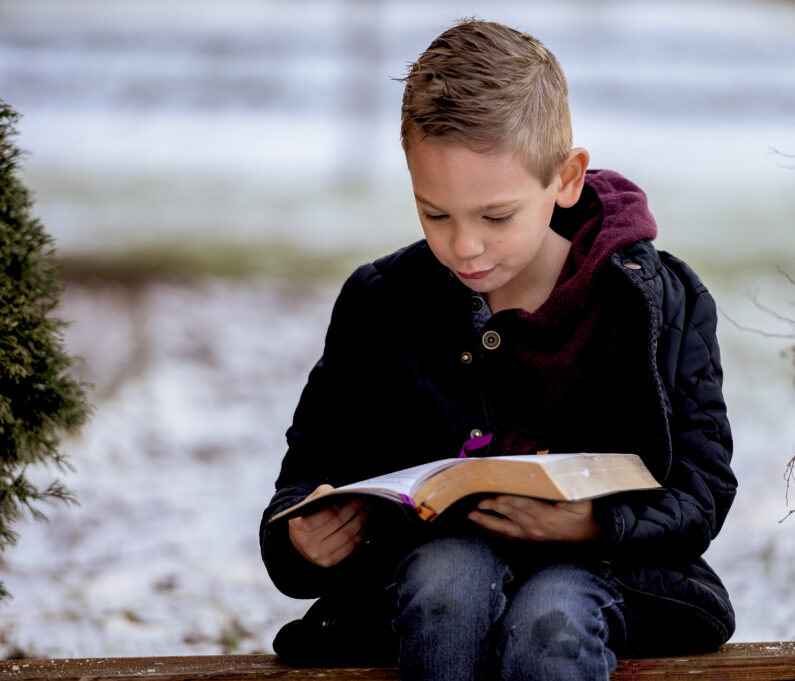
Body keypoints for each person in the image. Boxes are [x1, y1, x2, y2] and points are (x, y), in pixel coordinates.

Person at [260, 18, 737, 680]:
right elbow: (310, 471)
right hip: (432, 566)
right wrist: (301, 538)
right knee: (447, 584)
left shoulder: (657, 301)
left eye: (495, 217)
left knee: (553, 617)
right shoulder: (380, 301)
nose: (464, 247)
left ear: (566, 179)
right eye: (435, 213)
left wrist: (598, 526)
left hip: (603, 569)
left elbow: (702, 484)